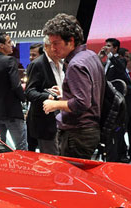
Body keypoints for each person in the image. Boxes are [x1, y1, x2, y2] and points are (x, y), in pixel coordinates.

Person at [42, 14, 104, 160]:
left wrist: (54, 104)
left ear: (70, 41)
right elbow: (89, 93)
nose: (53, 48)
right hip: (88, 130)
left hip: (77, 133)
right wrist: (66, 94)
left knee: (71, 174)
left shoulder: (75, 64)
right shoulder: (90, 55)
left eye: (56, 43)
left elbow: (82, 103)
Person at [25, 35, 62, 154]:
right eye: (54, 45)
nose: (58, 48)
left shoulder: (63, 63)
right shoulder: (37, 64)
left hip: (64, 120)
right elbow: (30, 92)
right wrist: (49, 96)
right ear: (46, 46)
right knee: (51, 158)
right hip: (46, 121)